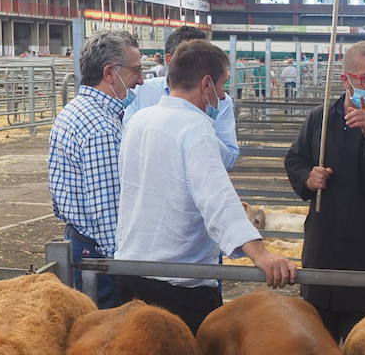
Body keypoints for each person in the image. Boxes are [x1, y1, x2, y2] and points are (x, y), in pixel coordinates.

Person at [115, 40, 296, 332]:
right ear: (207, 83)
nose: (223, 95)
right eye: (223, 85)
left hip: (130, 269)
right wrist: (260, 254)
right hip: (178, 281)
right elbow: (216, 198)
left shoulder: (138, 120)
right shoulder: (195, 127)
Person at [283, 41, 365, 340]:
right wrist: (308, 177)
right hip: (325, 245)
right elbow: (295, 159)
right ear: (346, 80)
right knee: (320, 347)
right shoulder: (320, 118)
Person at [47, 31, 143, 308]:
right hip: (98, 255)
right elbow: (107, 210)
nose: (140, 79)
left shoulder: (78, 110)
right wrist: (125, 272)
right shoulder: (99, 126)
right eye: (135, 70)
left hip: (82, 243)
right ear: (110, 72)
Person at [125, 26, 239, 169]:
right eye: (190, 58)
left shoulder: (221, 101)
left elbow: (229, 159)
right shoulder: (141, 92)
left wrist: (202, 134)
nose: (202, 67)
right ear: (169, 59)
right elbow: (128, 142)